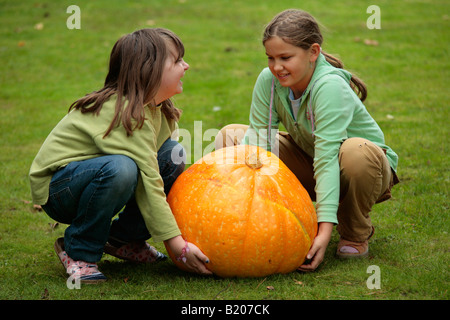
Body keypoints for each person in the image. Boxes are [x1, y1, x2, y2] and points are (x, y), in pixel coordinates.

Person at [215, 9, 399, 271]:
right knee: (231, 136)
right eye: (271, 58)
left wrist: (323, 233)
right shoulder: (269, 81)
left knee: (355, 152)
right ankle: (271, 223)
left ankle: (355, 232)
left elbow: (326, 159)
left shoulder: (329, 86)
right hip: (309, 158)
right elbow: (258, 142)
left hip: (360, 169)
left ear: (313, 52)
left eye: (285, 57)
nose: (276, 67)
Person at [29, 28, 212, 283]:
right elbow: (149, 181)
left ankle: (125, 239)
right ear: (151, 70)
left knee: (172, 155)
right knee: (122, 168)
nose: (187, 65)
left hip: (96, 177)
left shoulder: (158, 110)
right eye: (178, 61)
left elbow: (156, 172)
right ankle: (78, 250)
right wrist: (178, 245)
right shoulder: (127, 113)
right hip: (60, 189)